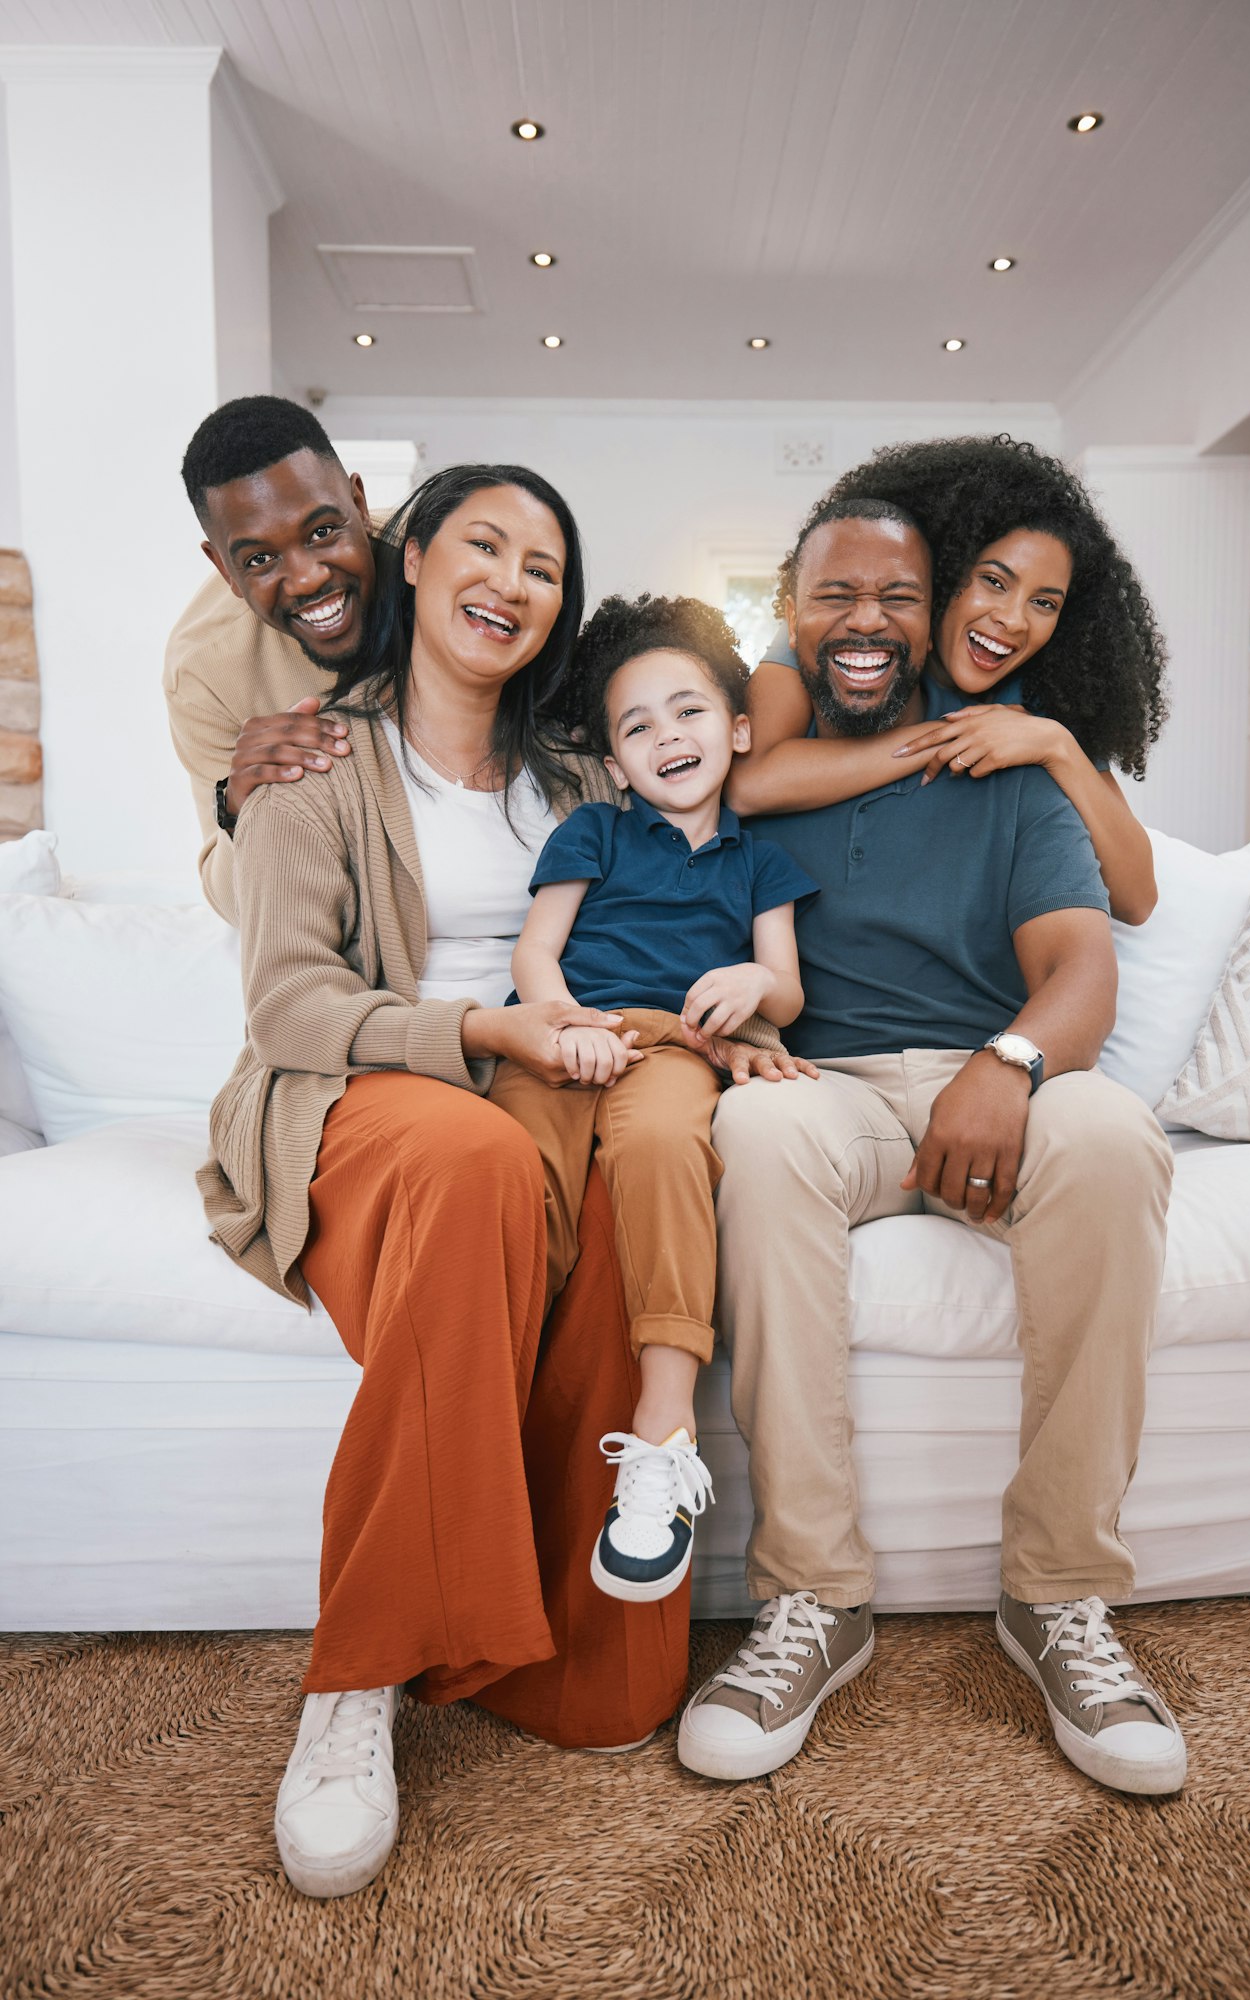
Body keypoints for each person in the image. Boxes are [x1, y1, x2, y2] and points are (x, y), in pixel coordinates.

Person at [187, 450, 800, 1900]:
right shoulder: (312, 759)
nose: (513, 583)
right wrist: (478, 1026)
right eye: (484, 547)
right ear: (410, 558)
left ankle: (572, 1641)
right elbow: (288, 1006)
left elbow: (731, 799)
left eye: (543, 566)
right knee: (472, 1161)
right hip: (370, 1089)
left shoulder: (591, 774)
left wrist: (723, 1033)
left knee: (630, 1192)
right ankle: (362, 1675)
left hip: (571, 1081)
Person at [676, 497, 1185, 1799]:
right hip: (826, 1085)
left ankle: (1058, 1596)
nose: (871, 621)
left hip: (991, 1080)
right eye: (839, 597)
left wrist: (1009, 1063)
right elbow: (694, 890)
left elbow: (1084, 959)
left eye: (895, 597)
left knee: (1115, 1138)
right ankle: (812, 1598)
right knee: (760, 1128)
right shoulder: (770, 741)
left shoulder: (1018, 768)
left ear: (928, 600)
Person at [494, 595, 817, 1606]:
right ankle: (489, 1431)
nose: (665, 737)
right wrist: (563, 1024)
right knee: (512, 1189)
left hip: (679, 1043)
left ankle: (664, 1435)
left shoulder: (761, 860)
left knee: (667, 1147)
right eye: (636, 726)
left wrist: (756, 992)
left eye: (685, 712)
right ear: (615, 760)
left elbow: (788, 985)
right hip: (564, 1033)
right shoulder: (591, 830)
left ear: (736, 730)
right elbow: (535, 949)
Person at [728, 435, 1168, 926]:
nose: (1014, 620)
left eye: (1044, 602)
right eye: (993, 582)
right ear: (943, 570)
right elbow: (751, 783)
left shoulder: (1038, 697)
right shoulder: (836, 633)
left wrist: (1055, 744)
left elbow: (1137, 898)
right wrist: (958, 734)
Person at [165, 396, 377, 923]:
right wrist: (238, 807)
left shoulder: (441, 561)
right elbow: (235, 906)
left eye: (323, 531)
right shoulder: (204, 672)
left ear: (360, 503)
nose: (307, 579)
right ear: (224, 569)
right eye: (259, 559)